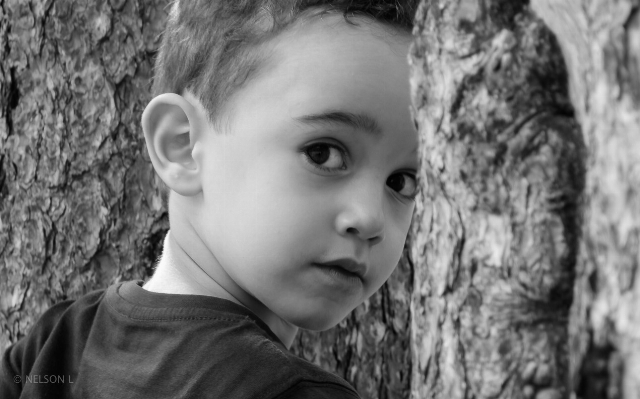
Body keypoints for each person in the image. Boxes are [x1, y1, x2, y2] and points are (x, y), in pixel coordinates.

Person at [0, 0, 419, 397]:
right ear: (181, 146)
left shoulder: (54, 348)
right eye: (323, 153)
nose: (370, 218)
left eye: (402, 181)